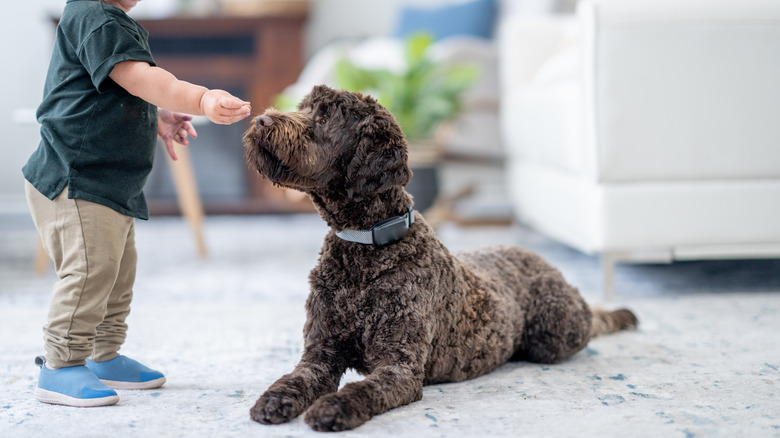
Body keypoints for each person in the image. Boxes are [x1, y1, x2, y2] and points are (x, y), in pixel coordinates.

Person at [23, 0, 252, 407]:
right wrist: (199, 100)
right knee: (92, 272)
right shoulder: (92, 17)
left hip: (110, 181)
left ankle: (103, 354)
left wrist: (157, 116)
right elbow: (143, 78)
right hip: (77, 179)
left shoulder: (112, 19)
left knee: (117, 273)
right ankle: (60, 364)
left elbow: (117, 89)